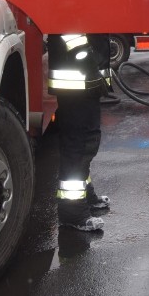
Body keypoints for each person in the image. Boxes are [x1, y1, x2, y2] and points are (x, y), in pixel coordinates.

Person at [47, 33, 112, 232]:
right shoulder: (71, 3)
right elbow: (70, 32)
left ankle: (86, 195)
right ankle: (72, 212)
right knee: (78, 147)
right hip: (77, 83)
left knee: (86, 144)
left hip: (84, 83)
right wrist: (91, 69)